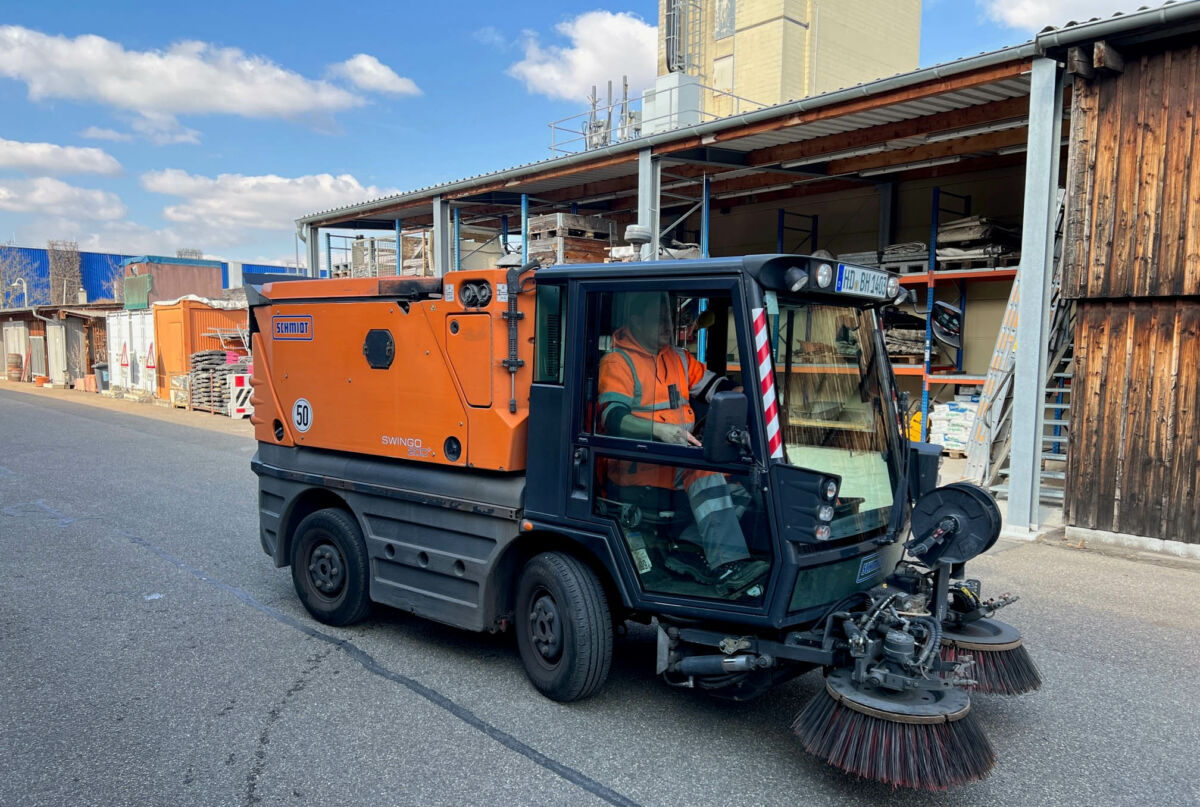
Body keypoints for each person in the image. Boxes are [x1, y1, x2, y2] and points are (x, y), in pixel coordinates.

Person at [597, 291, 768, 595]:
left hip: (676, 460)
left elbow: (718, 388)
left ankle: (686, 550)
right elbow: (613, 418)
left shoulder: (677, 357)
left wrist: (751, 396)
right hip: (638, 465)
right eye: (659, 317)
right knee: (704, 471)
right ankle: (728, 565)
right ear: (636, 321)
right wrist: (660, 432)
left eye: (669, 315)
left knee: (741, 489)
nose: (668, 322)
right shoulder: (617, 362)